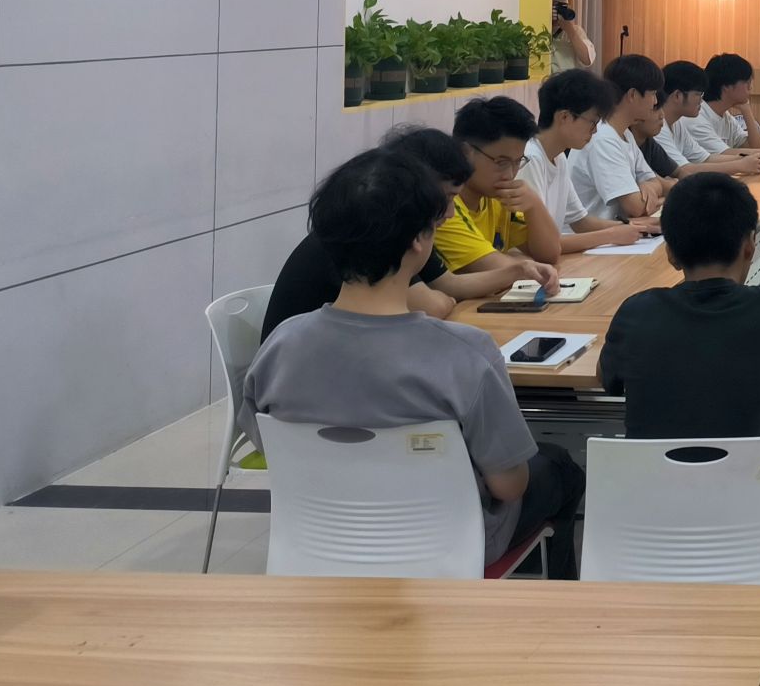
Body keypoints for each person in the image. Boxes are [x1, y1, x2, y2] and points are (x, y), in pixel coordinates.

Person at [242, 148, 585, 578]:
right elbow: (508, 485)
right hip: (448, 543)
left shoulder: (280, 346)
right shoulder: (467, 353)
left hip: (319, 537)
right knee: (559, 468)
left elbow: (268, 444)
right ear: (420, 242)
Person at [599, 173, 760, 437]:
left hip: (651, 466)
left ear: (670, 253)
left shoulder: (636, 314)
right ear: (750, 247)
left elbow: (607, 380)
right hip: (754, 466)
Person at [264, 127, 493, 340]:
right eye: (447, 198)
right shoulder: (381, 235)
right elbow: (431, 308)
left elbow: (444, 288)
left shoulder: (362, 228)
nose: (450, 212)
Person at [524, 71, 660, 252]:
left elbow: (581, 221)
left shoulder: (558, 157)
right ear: (564, 117)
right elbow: (538, 244)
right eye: (592, 123)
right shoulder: (529, 159)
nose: (595, 131)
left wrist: (636, 228)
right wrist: (611, 235)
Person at [434, 98, 563, 286]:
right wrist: (522, 264)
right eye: (501, 162)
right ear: (465, 152)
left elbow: (549, 254)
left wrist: (534, 205)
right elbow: (499, 267)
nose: (510, 174)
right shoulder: (444, 207)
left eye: (518, 162)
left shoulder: (497, 196)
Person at [571, 54, 670, 221]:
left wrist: (648, 186)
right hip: (593, 235)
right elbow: (635, 207)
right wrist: (653, 193)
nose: (655, 102)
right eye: (653, 94)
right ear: (632, 95)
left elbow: (655, 182)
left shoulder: (625, 133)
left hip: (619, 229)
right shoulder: (603, 138)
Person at [655, 60, 760, 175]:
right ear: (678, 96)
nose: (701, 100)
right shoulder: (658, 128)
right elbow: (684, 170)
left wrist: (747, 159)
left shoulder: (677, 123)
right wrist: (740, 165)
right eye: (698, 94)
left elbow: (705, 158)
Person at [690, 53, 760, 159]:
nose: (750, 87)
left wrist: (746, 110)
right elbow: (724, 154)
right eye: (747, 82)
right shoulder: (696, 117)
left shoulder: (725, 116)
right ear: (727, 86)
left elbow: (755, 147)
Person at [549, 0, 595, 73]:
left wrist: (570, 30)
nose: (561, 10)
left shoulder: (576, 30)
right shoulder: (538, 28)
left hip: (567, 79)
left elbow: (587, 60)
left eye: (564, 6)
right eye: (557, 5)